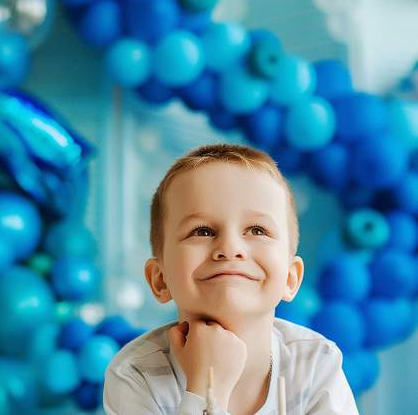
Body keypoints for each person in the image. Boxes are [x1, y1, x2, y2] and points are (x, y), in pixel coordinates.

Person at [103, 143, 359, 414]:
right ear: (160, 280)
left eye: (257, 230)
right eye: (202, 231)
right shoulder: (135, 374)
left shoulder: (316, 364)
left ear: (290, 278)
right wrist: (206, 390)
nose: (230, 248)